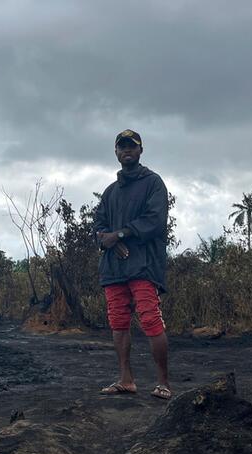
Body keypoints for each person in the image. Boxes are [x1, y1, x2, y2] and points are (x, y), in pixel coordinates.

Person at [94, 129, 171, 399]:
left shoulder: (153, 183)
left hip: (144, 265)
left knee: (150, 319)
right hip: (114, 269)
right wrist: (109, 240)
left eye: (132, 146)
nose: (127, 150)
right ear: (115, 152)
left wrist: (121, 234)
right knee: (118, 322)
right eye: (121, 146)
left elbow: (155, 221)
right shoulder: (110, 192)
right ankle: (126, 380)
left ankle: (163, 383)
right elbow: (99, 226)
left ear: (140, 151)